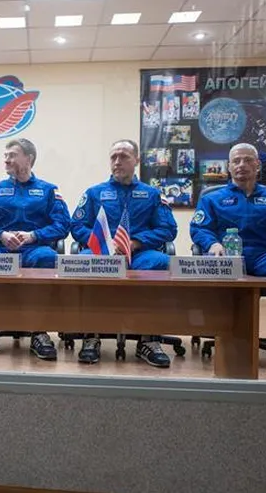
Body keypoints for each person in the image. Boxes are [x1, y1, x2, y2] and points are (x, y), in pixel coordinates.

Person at [190, 142, 266, 369]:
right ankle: (218, 331)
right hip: (226, 258)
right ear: (229, 166)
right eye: (236, 161)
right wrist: (212, 244)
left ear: (257, 165)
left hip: (264, 258)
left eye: (248, 160)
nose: (242, 165)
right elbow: (199, 228)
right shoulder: (212, 198)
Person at [70, 139, 178, 367]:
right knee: (82, 263)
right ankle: (91, 337)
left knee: (162, 262)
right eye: (113, 157)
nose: (117, 161)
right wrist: (104, 244)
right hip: (102, 252)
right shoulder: (94, 193)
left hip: (140, 253)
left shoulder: (152, 194)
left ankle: (149, 340)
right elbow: (77, 226)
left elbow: (168, 229)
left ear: (136, 160)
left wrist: (136, 242)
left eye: (124, 156)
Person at [0, 138, 71, 360]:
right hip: (0, 249)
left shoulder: (49, 190)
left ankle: (39, 331)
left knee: (48, 258)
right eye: (5, 155)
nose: (6, 159)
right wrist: (0, 235)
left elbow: (63, 224)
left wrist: (34, 235)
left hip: (34, 248)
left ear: (29, 159)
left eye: (12, 155)